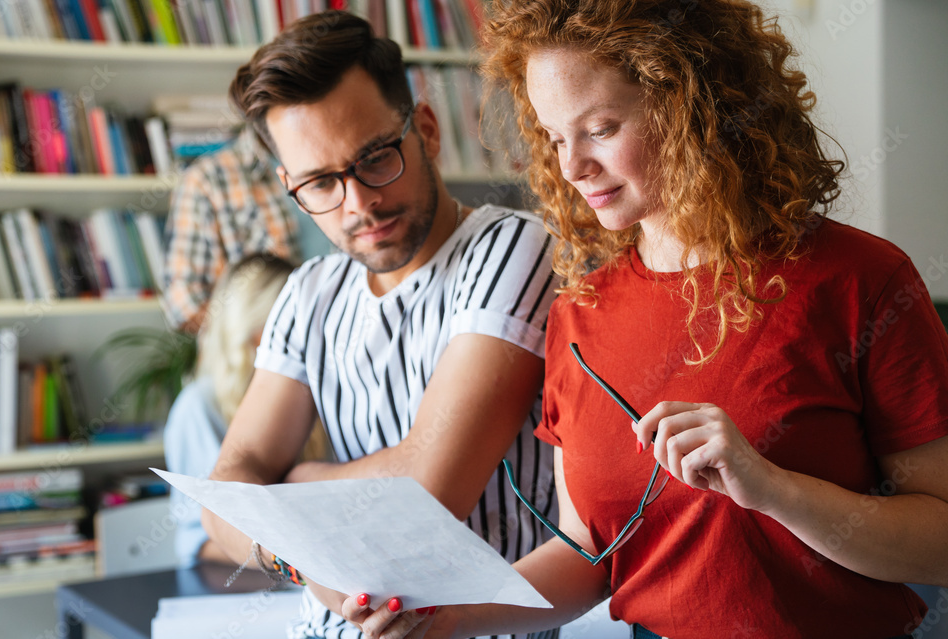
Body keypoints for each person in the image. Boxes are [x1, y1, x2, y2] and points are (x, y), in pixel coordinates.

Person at [342, 1, 948, 638]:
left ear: (694, 106)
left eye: (600, 128)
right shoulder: (579, 311)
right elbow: (587, 554)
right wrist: (441, 618)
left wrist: (771, 488)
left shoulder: (859, 280)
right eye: (553, 137)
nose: (570, 166)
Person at [201, 10, 561, 639]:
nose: (358, 202)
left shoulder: (516, 249)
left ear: (425, 129)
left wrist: (290, 487)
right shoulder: (307, 292)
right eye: (319, 182)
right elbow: (226, 492)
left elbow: (427, 492)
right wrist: (299, 555)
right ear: (291, 185)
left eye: (374, 158)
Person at [164, 252, 310, 566]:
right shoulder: (200, 406)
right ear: (257, 332)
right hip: (247, 584)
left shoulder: (313, 392)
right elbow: (198, 540)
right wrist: (296, 564)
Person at [161, 122, 305, 334]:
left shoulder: (340, 159)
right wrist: (264, 339)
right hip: (259, 357)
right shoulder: (207, 180)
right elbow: (185, 306)